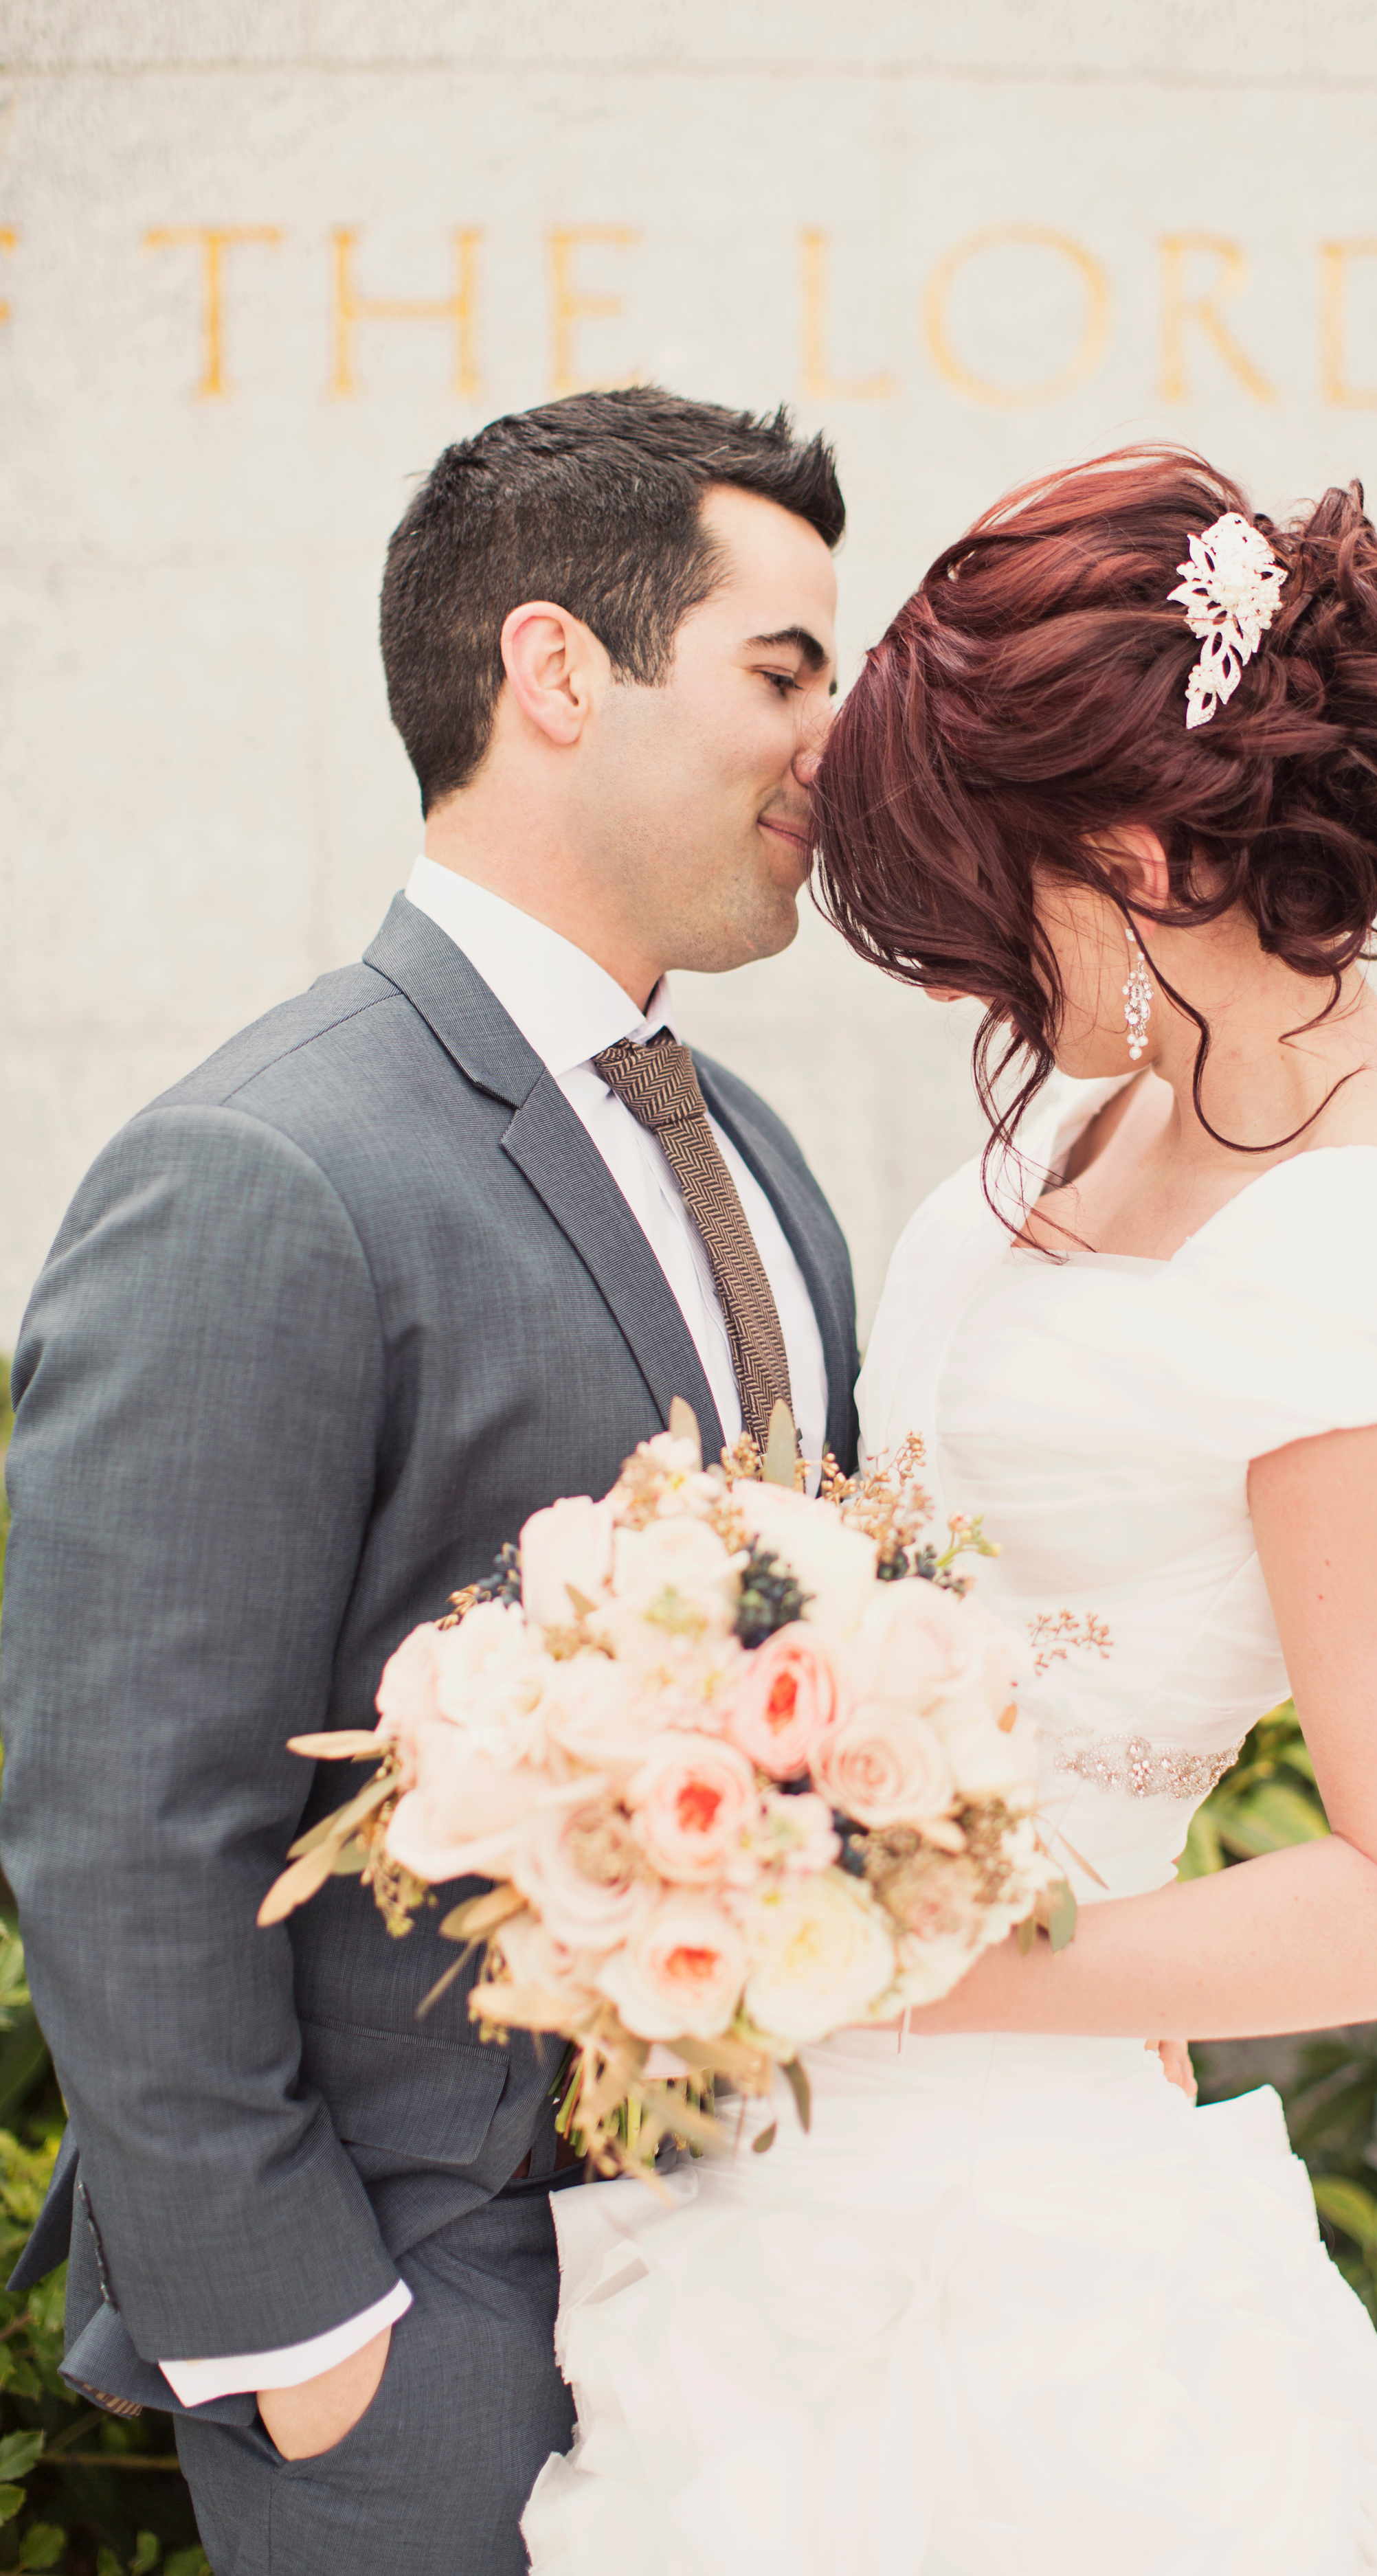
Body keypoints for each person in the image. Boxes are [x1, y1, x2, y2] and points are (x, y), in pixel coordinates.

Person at [519, 451, 1377, 2571]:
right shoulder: (1116, 1076)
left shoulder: (1356, 1273)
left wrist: (865, 1973)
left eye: (981, 893)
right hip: (803, 2121)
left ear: (1129, 850)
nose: (954, 975)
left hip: (999, 2185)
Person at [0, 385, 860, 2576]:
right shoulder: (260, 1167)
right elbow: (124, 1806)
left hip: (757, 2291)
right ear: (557, 670)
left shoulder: (752, 1153)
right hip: (428, 2321)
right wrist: (302, 2335)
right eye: (784, 670)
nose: (833, 741)